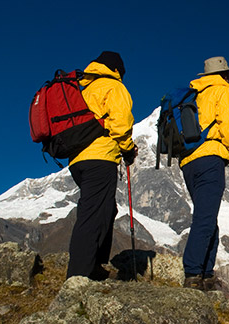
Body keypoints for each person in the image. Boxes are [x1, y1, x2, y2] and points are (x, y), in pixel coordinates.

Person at [66, 51, 138, 280]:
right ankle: (79, 274)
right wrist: (128, 148)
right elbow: (120, 123)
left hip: (77, 159)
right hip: (100, 157)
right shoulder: (113, 87)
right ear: (116, 70)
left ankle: (94, 265)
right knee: (93, 213)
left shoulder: (83, 88)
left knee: (106, 209)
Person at [181, 56, 229, 290]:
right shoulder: (223, 91)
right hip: (210, 158)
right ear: (225, 74)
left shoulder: (193, 93)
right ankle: (192, 274)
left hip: (188, 161)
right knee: (205, 218)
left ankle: (207, 274)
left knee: (207, 216)